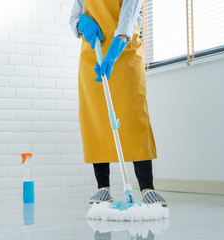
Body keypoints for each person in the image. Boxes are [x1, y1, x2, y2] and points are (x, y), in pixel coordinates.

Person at [69, 0, 166, 206]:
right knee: (96, 118)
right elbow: (74, 18)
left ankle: (147, 188)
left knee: (134, 118)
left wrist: (112, 55)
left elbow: (126, 24)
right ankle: (102, 188)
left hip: (124, 50)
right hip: (92, 54)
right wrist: (81, 25)